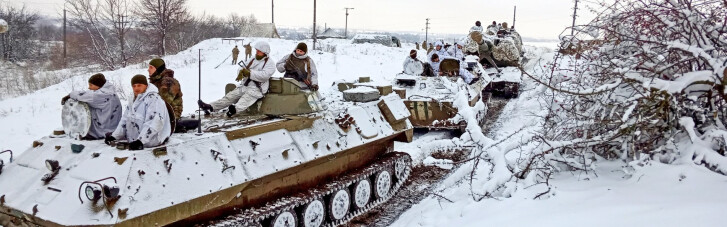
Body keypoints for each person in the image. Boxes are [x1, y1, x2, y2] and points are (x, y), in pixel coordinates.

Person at [198, 41, 276, 117]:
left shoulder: (270, 64)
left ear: (265, 52)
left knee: (245, 100)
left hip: (257, 89)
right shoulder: (253, 59)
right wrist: (241, 72)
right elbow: (242, 66)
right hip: (245, 85)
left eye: (259, 51)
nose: (257, 52)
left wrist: (249, 73)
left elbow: (264, 76)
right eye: (257, 50)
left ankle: (234, 110)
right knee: (230, 97)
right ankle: (211, 107)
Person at [106, 75, 171, 150]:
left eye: (139, 85)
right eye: (134, 86)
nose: (136, 88)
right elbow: (125, 120)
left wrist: (141, 141)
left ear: (146, 86)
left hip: (150, 142)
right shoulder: (133, 100)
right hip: (134, 142)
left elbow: (155, 122)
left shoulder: (154, 99)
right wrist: (114, 136)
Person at [61, 73, 122, 140]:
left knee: (83, 106)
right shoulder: (109, 92)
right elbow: (88, 93)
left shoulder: (98, 96)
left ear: (98, 85)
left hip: (103, 130)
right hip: (112, 125)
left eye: (91, 85)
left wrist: (69, 95)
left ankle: (91, 134)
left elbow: (81, 96)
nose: (89, 87)